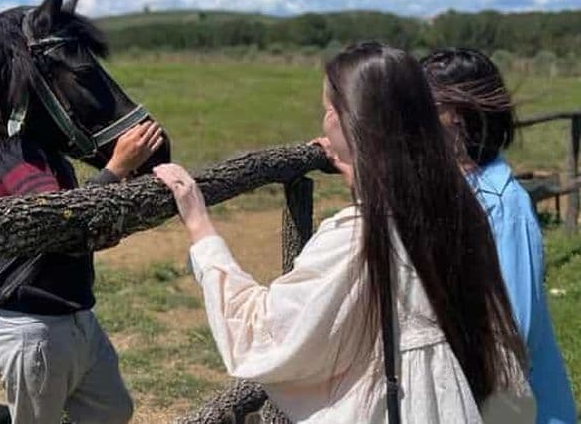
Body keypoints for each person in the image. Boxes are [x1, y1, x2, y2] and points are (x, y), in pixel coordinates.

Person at [154, 42, 534, 423]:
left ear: (348, 121)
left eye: (329, 109)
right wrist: (359, 168)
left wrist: (200, 227)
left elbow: (261, 333)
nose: (325, 121)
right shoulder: (457, 209)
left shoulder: (358, 237)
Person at [422, 47, 576, 424]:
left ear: (454, 115)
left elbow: (512, 330)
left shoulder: (503, 206)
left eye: (421, 102)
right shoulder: (458, 190)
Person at [0, 121, 164, 424]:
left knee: (113, 410)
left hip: (73, 316)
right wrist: (115, 168)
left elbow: (68, 233)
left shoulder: (47, 154)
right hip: (31, 324)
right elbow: (61, 222)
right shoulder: (14, 153)